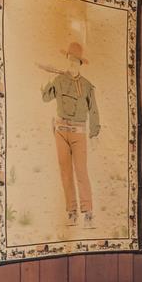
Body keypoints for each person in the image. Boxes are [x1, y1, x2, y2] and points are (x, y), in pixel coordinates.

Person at [39, 39, 99, 226]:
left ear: (80, 64)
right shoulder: (59, 80)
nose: (72, 64)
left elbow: (94, 110)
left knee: (81, 172)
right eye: (70, 60)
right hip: (60, 132)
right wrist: (48, 79)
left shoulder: (87, 86)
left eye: (76, 61)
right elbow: (46, 98)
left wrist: (94, 133)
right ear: (67, 60)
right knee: (65, 173)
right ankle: (71, 212)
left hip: (79, 133)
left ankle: (88, 213)